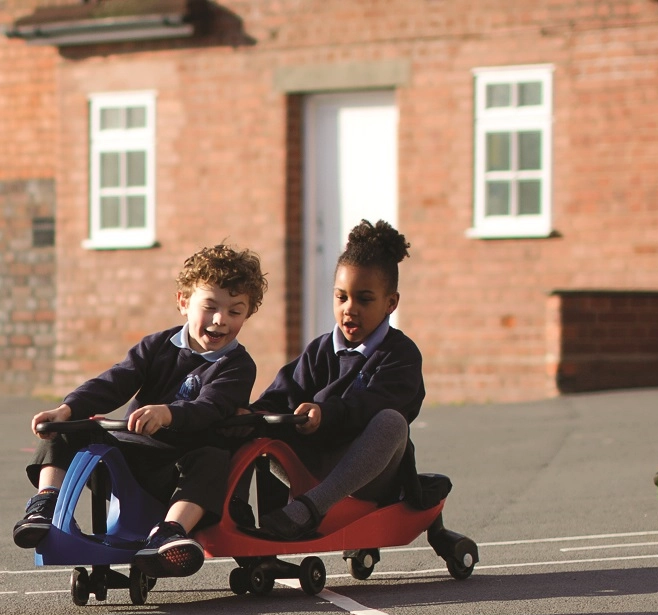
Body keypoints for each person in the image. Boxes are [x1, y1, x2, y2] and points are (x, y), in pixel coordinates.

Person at [13, 244, 268, 578]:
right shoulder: (157, 346)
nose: (221, 320)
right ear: (183, 302)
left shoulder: (237, 365)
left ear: (247, 315)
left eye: (235, 312)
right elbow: (115, 381)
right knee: (65, 426)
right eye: (210, 307)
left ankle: (170, 532)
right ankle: (46, 504)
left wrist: (168, 414)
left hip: (178, 472)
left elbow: (211, 407)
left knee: (213, 457)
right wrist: (67, 407)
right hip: (128, 462)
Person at [242, 218, 425, 541]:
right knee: (259, 425)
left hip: (371, 476)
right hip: (315, 467)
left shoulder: (400, 354)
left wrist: (325, 413)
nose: (349, 309)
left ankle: (309, 509)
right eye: (341, 298)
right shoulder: (320, 350)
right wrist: (249, 415)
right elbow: (283, 393)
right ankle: (252, 523)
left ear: (391, 303)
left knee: (391, 422)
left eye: (364, 299)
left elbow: (373, 404)